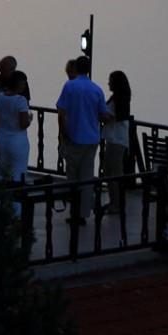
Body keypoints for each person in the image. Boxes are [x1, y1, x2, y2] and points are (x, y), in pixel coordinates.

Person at [56, 55, 111, 224]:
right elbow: (103, 114)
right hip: (92, 138)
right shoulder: (97, 89)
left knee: (73, 176)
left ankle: (74, 212)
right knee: (87, 177)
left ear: (76, 68)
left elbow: (62, 111)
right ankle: (83, 213)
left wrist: (63, 133)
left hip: (74, 137)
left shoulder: (70, 86)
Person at [0, 70, 32, 185]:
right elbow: (23, 124)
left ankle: (1, 194)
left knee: (1, 171)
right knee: (18, 172)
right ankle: (16, 195)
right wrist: (29, 120)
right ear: (19, 84)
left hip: (1, 138)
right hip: (17, 140)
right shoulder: (21, 100)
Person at [102, 70, 132, 214]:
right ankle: (114, 201)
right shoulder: (117, 99)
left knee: (114, 172)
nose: (108, 83)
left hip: (116, 141)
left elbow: (109, 118)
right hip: (115, 139)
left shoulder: (118, 101)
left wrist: (99, 114)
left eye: (110, 80)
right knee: (110, 171)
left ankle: (116, 203)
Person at [0, 55, 31, 158]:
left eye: (2, 67)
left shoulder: (21, 82)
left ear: (12, 69)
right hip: (0, 126)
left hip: (13, 127)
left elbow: (25, 103)